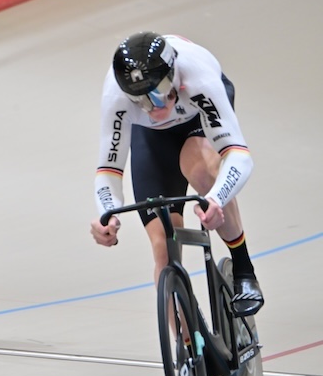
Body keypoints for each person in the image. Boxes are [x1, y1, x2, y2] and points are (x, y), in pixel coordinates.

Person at [90, 31, 264, 318]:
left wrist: (216, 199)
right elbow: (109, 169)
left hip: (197, 120)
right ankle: (187, 354)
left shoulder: (200, 77)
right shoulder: (116, 96)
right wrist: (106, 214)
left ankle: (244, 269)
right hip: (152, 139)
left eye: (157, 95)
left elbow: (239, 155)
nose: (153, 108)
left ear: (173, 76)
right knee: (163, 251)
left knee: (202, 172)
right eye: (141, 102)